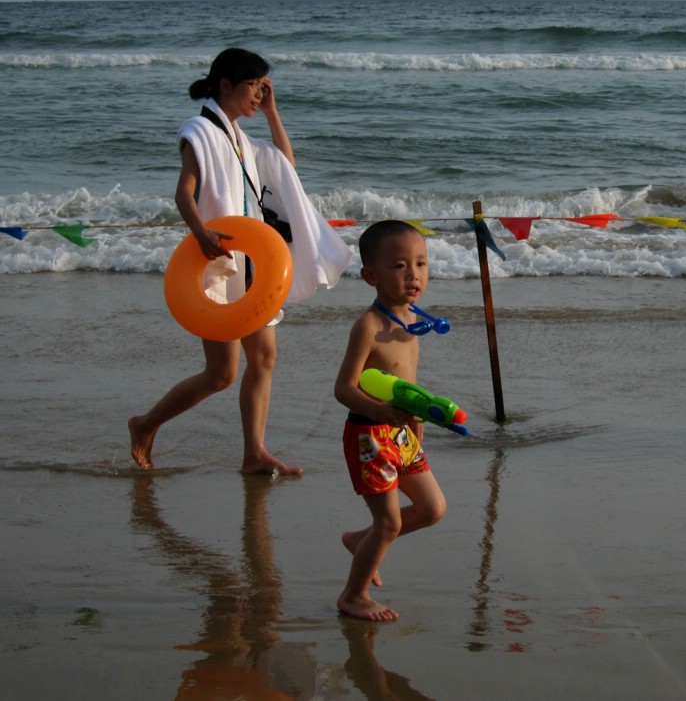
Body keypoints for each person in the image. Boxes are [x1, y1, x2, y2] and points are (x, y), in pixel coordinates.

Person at [130, 48, 351, 475]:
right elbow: (185, 190)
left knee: (264, 357)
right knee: (221, 373)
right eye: (254, 86)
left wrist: (273, 113)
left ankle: (254, 452)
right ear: (226, 85)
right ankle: (145, 423)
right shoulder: (199, 129)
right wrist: (200, 231)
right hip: (216, 262)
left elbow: (286, 167)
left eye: (264, 87)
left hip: (252, 265)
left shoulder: (240, 138)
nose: (259, 94)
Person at [333, 220, 448, 621]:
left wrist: (417, 428)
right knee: (389, 522)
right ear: (370, 275)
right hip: (369, 433)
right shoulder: (369, 326)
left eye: (421, 263)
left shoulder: (413, 319)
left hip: (402, 433)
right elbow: (343, 388)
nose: (413, 274)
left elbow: (408, 385)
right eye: (399, 266)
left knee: (432, 508)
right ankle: (353, 595)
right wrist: (381, 413)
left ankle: (359, 541)